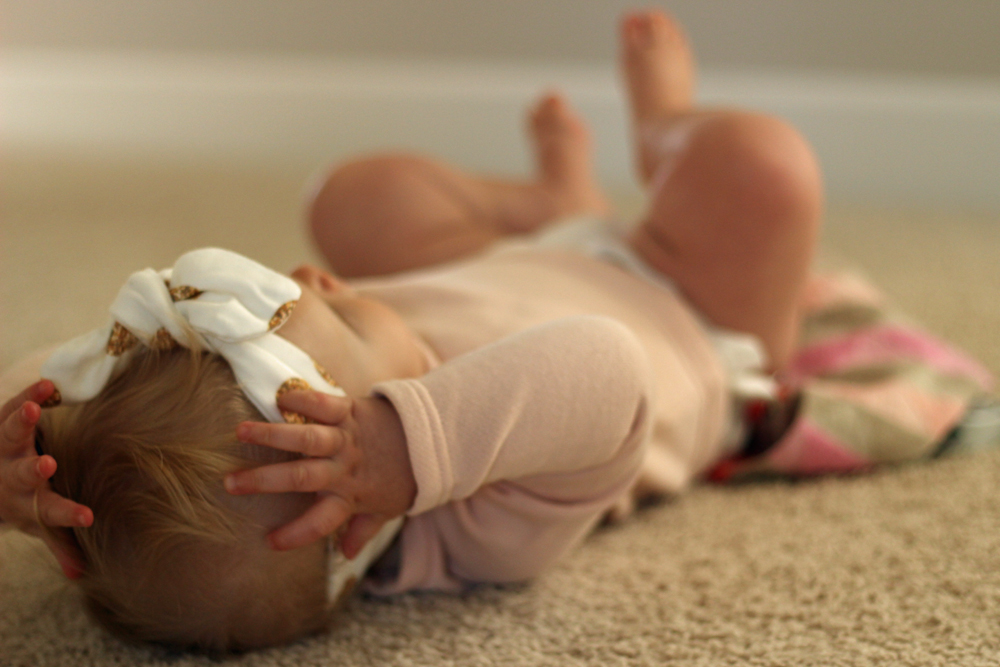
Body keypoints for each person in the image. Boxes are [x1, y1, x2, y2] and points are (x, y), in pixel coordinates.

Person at [0, 10, 828, 651]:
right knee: (759, 164)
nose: (317, 274)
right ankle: (663, 132)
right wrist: (409, 445)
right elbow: (610, 366)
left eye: (325, 293)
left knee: (350, 199)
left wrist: (38, 442)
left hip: (499, 264)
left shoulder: (351, 425)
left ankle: (561, 208)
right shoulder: (473, 521)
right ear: (358, 505)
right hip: (691, 302)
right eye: (350, 312)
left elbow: (81, 379)